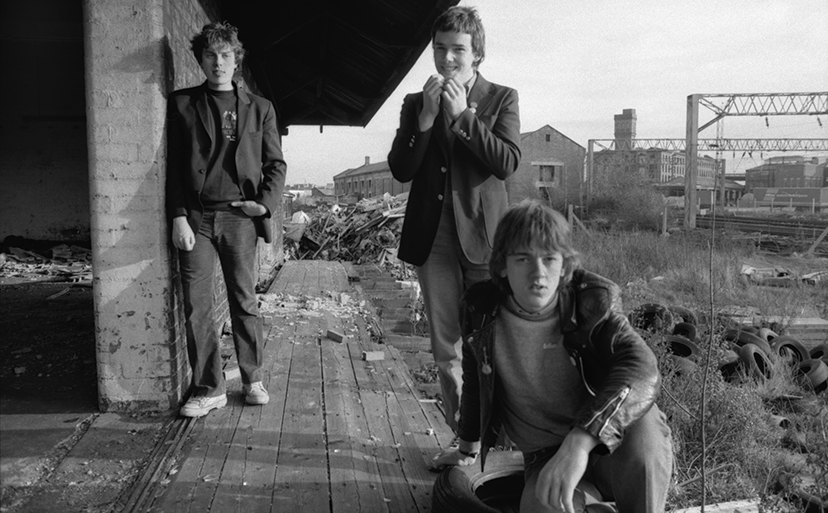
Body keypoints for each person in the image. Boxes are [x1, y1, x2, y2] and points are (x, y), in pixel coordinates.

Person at [430, 200, 673, 513]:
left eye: (549, 258)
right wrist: (466, 448)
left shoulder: (594, 301)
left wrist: (581, 440)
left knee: (644, 431)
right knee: (543, 508)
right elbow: (475, 381)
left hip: (613, 445)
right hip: (545, 455)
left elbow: (643, 369)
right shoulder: (479, 308)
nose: (539, 273)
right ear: (502, 265)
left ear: (565, 266)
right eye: (523, 259)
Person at [387, 5, 521, 436]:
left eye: (458, 49)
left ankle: (498, 440)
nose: (447, 58)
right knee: (447, 348)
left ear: (476, 53)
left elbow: (506, 162)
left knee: (490, 343)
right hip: (434, 239)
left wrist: (464, 116)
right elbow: (401, 168)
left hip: (484, 238)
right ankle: (464, 439)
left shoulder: (502, 98)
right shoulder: (416, 103)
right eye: (440, 48)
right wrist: (425, 120)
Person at [166, 22, 286, 418]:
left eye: (225, 55)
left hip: (240, 218)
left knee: (244, 300)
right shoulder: (183, 103)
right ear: (200, 60)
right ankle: (210, 388)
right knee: (197, 306)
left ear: (237, 60)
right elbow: (173, 166)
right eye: (210, 55)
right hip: (196, 219)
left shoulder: (260, 108)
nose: (218, 62)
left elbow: (275, 164)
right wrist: (178, 216)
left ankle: (253, 379)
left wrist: (262, 206)